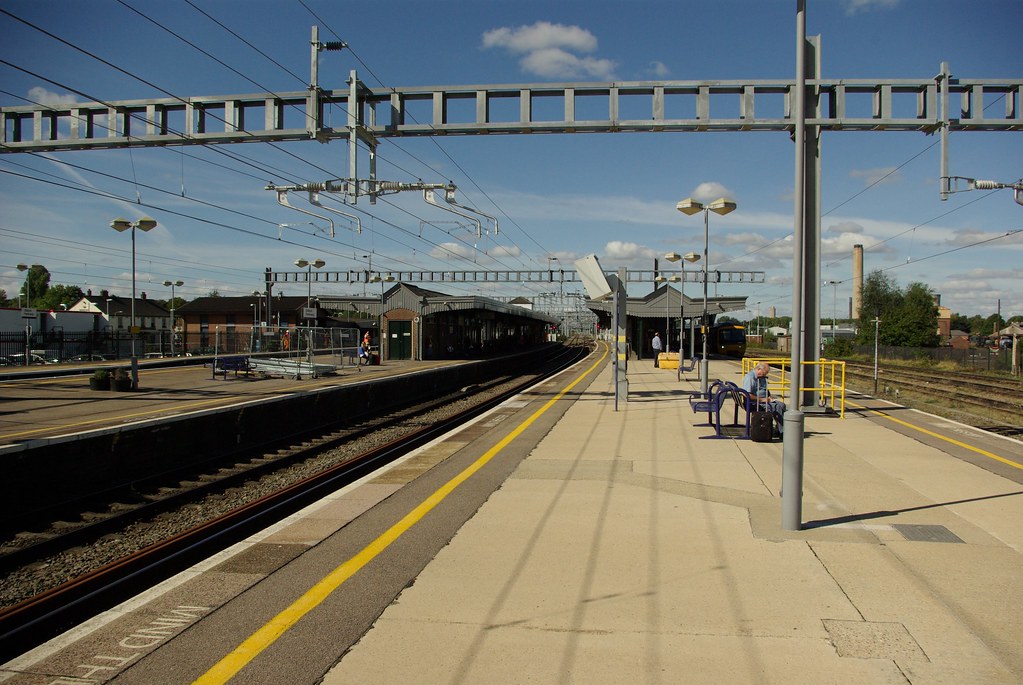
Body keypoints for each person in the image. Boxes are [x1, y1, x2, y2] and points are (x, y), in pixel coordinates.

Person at [741, 361, 786, 435]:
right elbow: (746, 394)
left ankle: (779, 428)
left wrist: (769, 397)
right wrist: (763, 399)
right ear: (759, 369)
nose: (765, 374)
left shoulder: (762, 377)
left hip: (764, 400)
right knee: (776, 407)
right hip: (754, 403)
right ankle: (783, 432)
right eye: (765, 372)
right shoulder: (750, 377)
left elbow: (765, 389)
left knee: (782, 405)